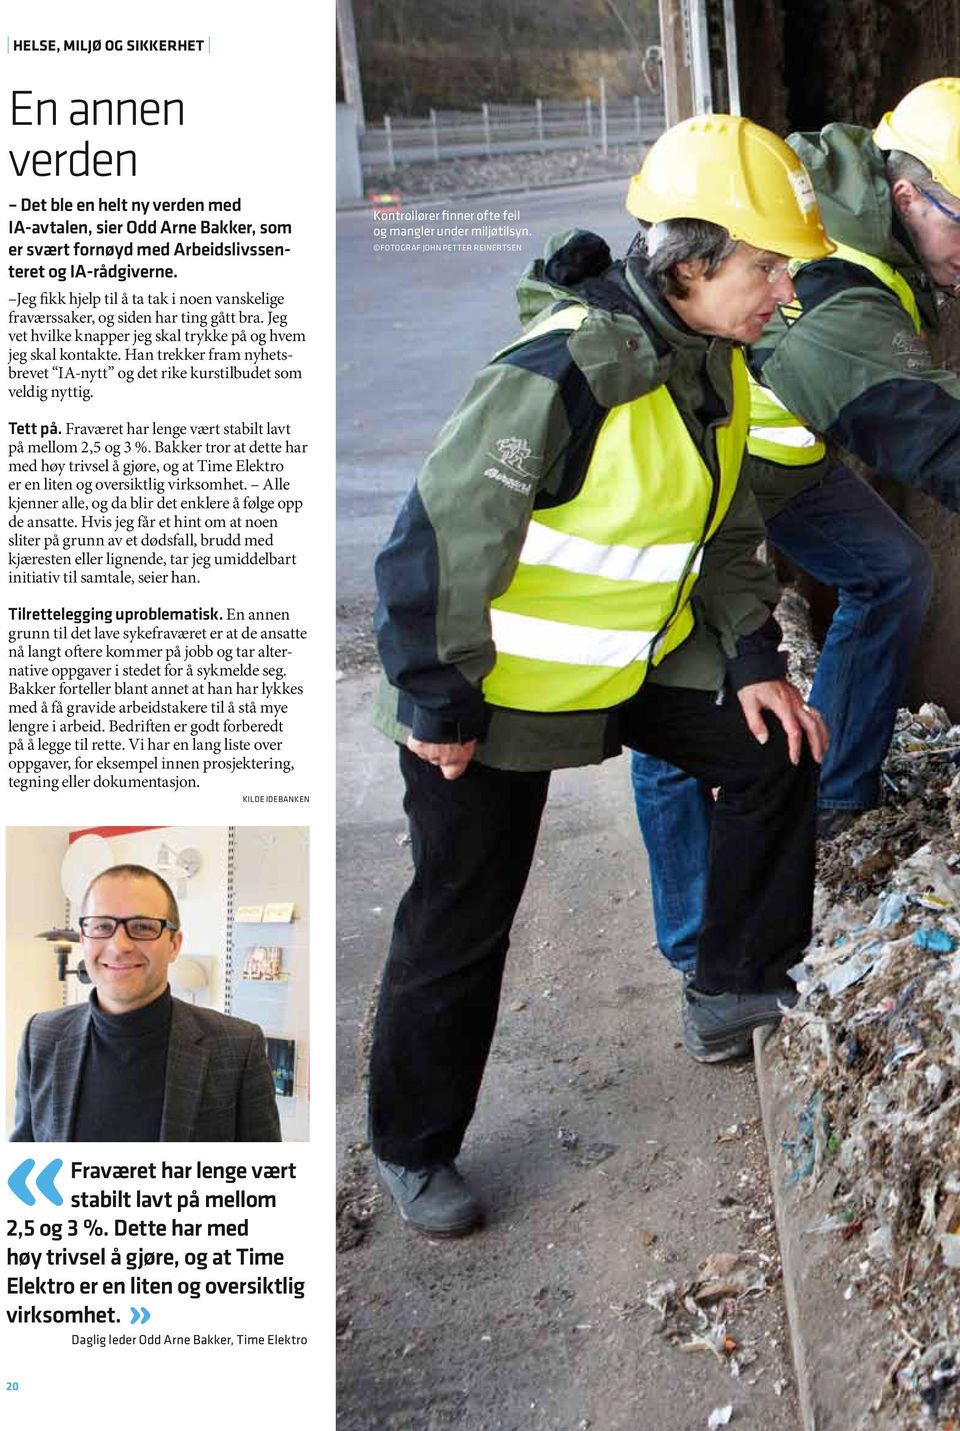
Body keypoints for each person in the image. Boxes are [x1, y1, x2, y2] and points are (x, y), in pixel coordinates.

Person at [367, 115, 832, 1237]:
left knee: (776, 749)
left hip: (631, 667)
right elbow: (437, 535)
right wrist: (434, 690)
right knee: (462, 921)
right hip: (494, 698)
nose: (784, 292)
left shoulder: (713, 363)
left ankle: (729, 987)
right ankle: (412, 1146)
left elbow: (724, 537)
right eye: (768, 267)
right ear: (689, 264)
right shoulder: (561, 371)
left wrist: (756, 659)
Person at [632, 77, 960, 978]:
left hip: (780, 454)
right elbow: (934, 432)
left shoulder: (848, 203)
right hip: (704, 479)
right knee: (678, 698)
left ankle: (836, 790)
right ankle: (703, 954)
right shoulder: (835, 286)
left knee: (891, 571)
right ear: (907, 192)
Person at [11, 863, 281, 1142]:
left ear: (174, 944)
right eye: (102, 926)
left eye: (142, 927)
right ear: (83, 939)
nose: (119, 946)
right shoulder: (41, 1037)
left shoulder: (237, 1048)